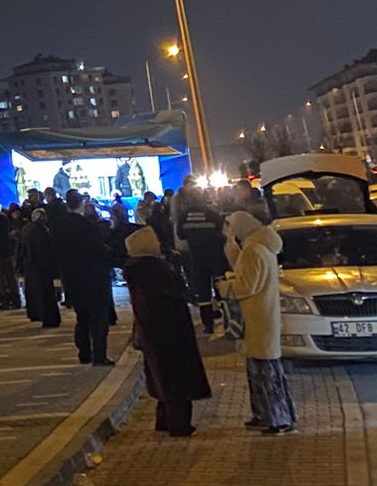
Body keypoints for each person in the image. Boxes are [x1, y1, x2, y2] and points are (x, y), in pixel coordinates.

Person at [120, 227, 211, 437]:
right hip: (169, 330)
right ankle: (179, 424)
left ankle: (164, 420)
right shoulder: (155, 271)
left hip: (154, 331)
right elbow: (177, 291)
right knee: (175, 376)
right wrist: (175, 269)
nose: (159, 244)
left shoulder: (139, 270)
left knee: (161, 375)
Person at [224, 210, 294, 433]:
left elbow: (247, 286)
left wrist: (225, 286)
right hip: (264, 316)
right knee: (264, 370)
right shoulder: (262, 247)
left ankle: (276, 419)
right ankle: (267, 415)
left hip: (257, 318)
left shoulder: (252, 250)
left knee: (264, 373)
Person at [52, 192, 116, 364]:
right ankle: (99, 355)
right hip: (92, 276)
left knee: (82, 317)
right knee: (98, 317)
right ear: (80, 204)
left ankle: (84, 352)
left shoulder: (58, 227)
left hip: (71, 277)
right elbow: (99, 250)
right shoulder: (88, 226)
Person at [174, 179, 228, 333]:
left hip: (196, 258)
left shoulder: (184, 216)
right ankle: (227, 320)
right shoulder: (212, 214)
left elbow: (181, 235)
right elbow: (221, 232)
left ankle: (208, 324)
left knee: (203, 292)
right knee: (222, 289)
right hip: (216, 257)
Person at [20, 206, 62, 327]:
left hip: (30, 266)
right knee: (46, 293)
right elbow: (47, 251)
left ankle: (36, 314)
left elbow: (21, 248)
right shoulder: (42, 231)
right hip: (42, 267)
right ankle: (49, 318)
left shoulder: (26, 229)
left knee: (35, 292)